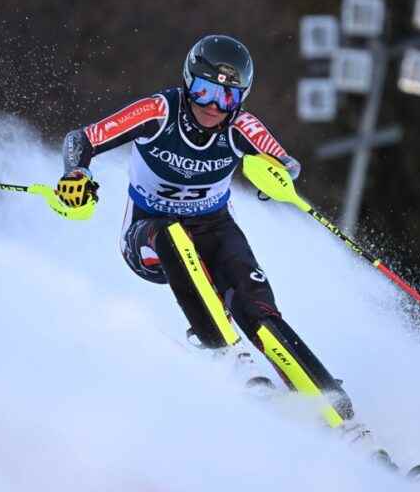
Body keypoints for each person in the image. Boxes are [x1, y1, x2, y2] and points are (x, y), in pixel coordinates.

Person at [56, 34, 359, 431]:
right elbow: (83, 139)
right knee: (171, 236)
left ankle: (339, 414)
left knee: (257, 309)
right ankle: (226, 353)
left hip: (214, 228)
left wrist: (277, 178)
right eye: (204, 91)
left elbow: (285, 163)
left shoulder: (242, 127)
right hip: (148, 235)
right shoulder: (158, 111)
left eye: (228, 98)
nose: (214, 106)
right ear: (188, 82)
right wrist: (76, 173)